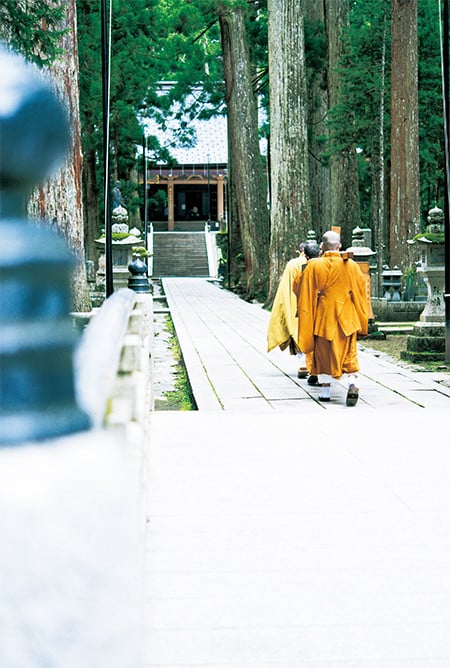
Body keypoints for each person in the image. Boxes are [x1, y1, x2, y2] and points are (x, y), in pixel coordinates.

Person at [297, 230, 369, 405]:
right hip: (347, 317)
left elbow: (305, 295)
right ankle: (352, 383)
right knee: (348, 353)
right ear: (340, 246)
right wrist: (362, 318)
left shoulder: (313, 266)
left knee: (323, 354)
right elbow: (361, 293)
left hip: (324, 317)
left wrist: (306, 318)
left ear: (322, 246)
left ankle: (325, 392)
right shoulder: (351, 266)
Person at [267, 241, 319, 378]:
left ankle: (304, 363)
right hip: (315, 304)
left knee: (298, 332)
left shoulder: (292, 264)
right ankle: (313, 365)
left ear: (300, 251)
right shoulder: (320, 263)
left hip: (295, 302)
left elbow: (286, 287)